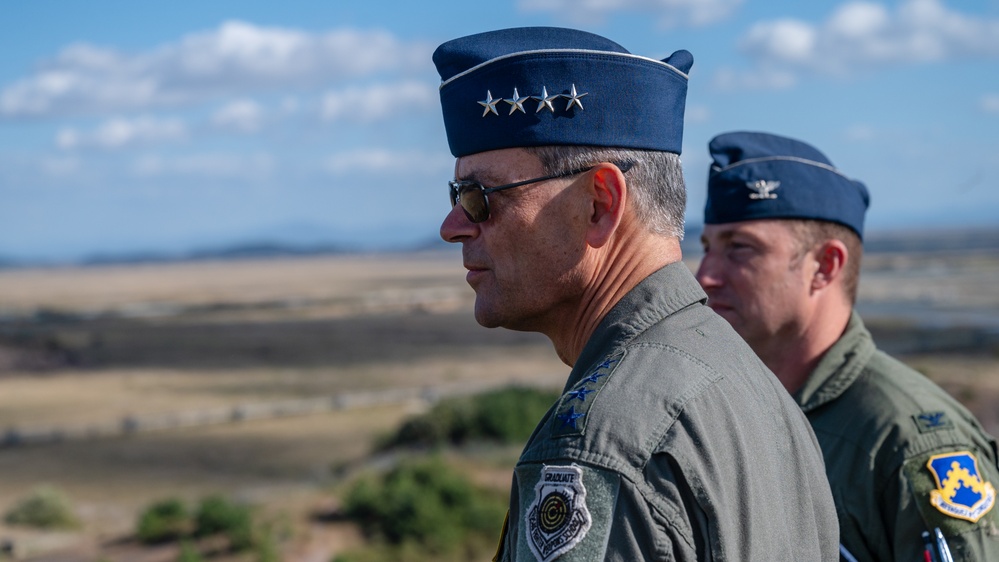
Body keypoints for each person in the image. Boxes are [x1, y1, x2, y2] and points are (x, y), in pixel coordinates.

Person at [432, 28, 838, 561]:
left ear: (599, 204)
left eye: (479, 198)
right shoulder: (754, 387)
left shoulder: (602, 442)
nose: (453, 226)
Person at [696, 130, 999, 561]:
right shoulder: (730, 410)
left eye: (740, 249)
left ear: (825, 266)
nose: (705, 275)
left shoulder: (908, 441)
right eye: (707, 247)